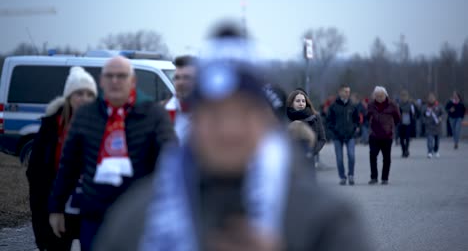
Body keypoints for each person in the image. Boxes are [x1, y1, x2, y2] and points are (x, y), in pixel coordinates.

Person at [93, 59, 370, 251]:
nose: (228, 130)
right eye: (214, 114)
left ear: (267, 123)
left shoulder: (327, 219)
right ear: (194, 122)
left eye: (243, 113)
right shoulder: (136, 216)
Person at [48, 56, 176, 251]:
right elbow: (69, 165)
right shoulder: (86, 115)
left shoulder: (153, 115)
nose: (115, 81)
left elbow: (171, 163)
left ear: (132, 81)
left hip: (139, 219)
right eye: (110, 76)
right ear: (101, 81)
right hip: (95, 217)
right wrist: (56, 207)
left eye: (121, 76)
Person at [26, 67, 97, 251]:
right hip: (58, 208)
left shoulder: (102, 126)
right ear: (69, 97)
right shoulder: (51, 127)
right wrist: (44, 216)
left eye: (89, 94)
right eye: (79, 93)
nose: (84, 99)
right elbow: (36, 173)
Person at [367, 86, 401, 185]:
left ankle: (385, 178)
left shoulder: (392, 105)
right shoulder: (371, 105)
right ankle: (374, 177)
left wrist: (391, 126)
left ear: (385, 95)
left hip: (387, 135)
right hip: (374, 135)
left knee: (386, 158)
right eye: (377, 96)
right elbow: (367, 116)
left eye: (381, 96)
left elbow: (398, 118)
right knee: (373, 155)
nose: (379, 98)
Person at [327, 85, 360, 185]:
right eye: (345, 91)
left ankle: (351, 175)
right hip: (337, 136)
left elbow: (357, 119)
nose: (347, 93)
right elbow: (329, 121)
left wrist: (355, 128)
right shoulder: (333, 106)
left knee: (351, 155)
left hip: (350, 135)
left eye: (348, 91)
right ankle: (342, 177)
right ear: (340, 92)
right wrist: (333, 131)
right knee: (339, 158)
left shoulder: (352, 105)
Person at [286, 90, 326, 167]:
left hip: (309, 159)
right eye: (298, 101)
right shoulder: (285, 117)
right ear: (291, 103)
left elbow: (322, 139)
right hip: (291, 160)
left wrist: (311, 152)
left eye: (303, 101)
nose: (301, 103)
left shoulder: (315, 116)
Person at [163, 55, 197, 142]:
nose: (180, 83)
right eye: (177, 78)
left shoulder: (211, 115)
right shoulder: (163, 112)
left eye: (187, 78)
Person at [398, 90, 418, 158]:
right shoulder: (399, 104)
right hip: (401, 123)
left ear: (407, 97)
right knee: (401, 139)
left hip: (409, 123)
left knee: (407, 137)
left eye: (405, 96)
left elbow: (415, 113)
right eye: (402, 96)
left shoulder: (411, 104)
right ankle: (403, 150)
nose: (404, 98)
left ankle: (406, 150)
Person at [423, 93, 444, 158]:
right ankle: (429, 152)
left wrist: (441, 117)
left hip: (437, 126)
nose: (431, 99)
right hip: (429, 126)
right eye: (430, 98)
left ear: (435, 98)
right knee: (429, 140)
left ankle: (436, 150)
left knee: (437, 141)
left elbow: (443, 113)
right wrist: (425, 121)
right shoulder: (425, 106)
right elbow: (422, 115)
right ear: (428, 99)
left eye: (432, 97)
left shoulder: (439, 106)